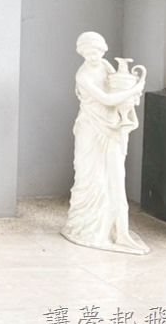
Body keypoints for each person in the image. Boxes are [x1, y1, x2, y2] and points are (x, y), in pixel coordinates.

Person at [61, 32, 149, 254]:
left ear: (103, 50)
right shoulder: (83, 75)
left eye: (96, 52)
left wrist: (129, 93)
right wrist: (135, 89)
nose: (93, 56)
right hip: (90, 129)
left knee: (115, 178)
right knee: (90, 178)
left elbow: (115, 88)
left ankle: (120, 231)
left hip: (110, 126)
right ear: (81, 53)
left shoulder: (106, 65)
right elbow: (107, 99)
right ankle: (85, 227)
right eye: (88, 53)